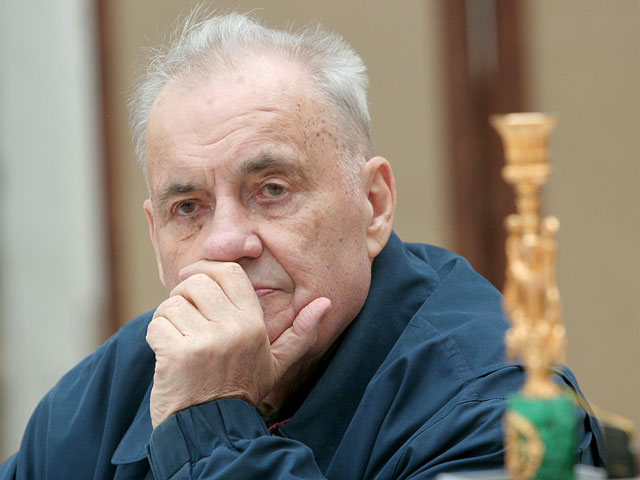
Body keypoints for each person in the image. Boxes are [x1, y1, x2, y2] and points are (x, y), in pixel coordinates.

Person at [0, 11, 603, 479]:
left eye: (272, 190)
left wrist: (211, 423)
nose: (226, 243)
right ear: (157, 239)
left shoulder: (488, 405)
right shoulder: (120, 383)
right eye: (189, 208)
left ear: (374, 205)